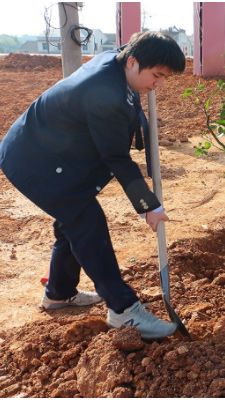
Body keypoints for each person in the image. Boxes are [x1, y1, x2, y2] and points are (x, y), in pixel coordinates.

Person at [0, 31, 186, 340]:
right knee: (87, 223)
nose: (159, 84)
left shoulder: (119, 60)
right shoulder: (105, 96)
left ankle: (59, 293)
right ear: (133, 62)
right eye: (156, 76)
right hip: (34, 160)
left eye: (164, 77)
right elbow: (116, 157)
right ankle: (124, 311)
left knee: (72, 220)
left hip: (47, 148)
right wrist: (148, 206)